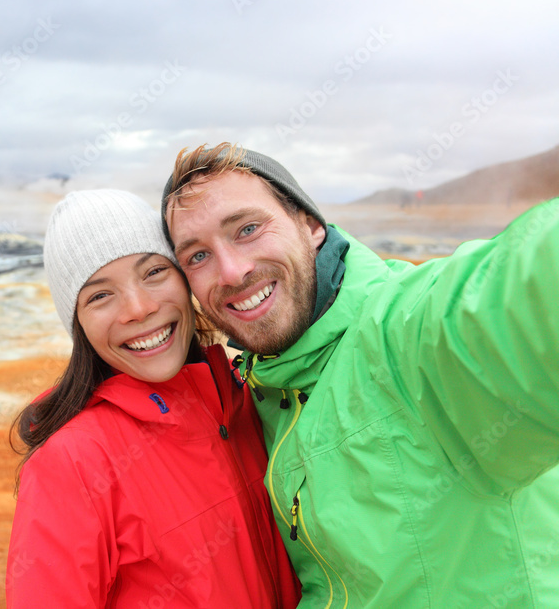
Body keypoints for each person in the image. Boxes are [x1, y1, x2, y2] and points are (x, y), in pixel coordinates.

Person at [160, 142, 559, 608]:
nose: (232, 271)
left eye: (248, 229)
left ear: (310, 226)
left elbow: (520, 291)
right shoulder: (259, 393)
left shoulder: (408, 337)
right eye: (197, 257)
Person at [7, 189, 301, 608]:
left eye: (153, 273)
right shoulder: (72, 463)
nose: (139, 309)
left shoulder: (249, 399)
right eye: (100, 295)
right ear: (79, 326)